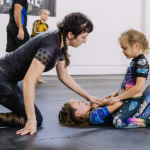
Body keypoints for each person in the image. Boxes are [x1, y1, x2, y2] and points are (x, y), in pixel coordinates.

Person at [0, 12, 102, 136]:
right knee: (34, 120)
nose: (85, 41)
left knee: (34, 118)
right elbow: (29, 81)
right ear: (70, 34)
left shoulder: (60, 42)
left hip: (8, 79)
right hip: (3, 78)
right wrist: (31, 121)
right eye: (83, 37)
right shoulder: (51, 44)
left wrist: (89, 97)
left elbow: (64, 75)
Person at [105, 29, 150, 128]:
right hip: (126, 98)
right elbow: (128, 84)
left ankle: (145, 120)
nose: (122, 51)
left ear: (136, 45)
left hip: (133, 101)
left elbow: (138, 87)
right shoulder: (135, 61)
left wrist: (117, 98)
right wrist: (117, 93)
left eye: (125, 48)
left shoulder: (142, 63)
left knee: (118, 122)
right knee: (110, 115)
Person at [59, 99, 123, 126]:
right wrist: (101, 103)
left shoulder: (92, 114)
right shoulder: (95, 115)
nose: (83, 101)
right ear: (77, 113)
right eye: (79, 103)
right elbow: (119, 103)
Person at [31, 9, 50, 83]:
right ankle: (32, 79)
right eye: (44, 14)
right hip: (34, 43)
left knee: (41, 61)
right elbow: (35, 32)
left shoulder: (46, 25)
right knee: (34, 62)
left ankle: (38, 78)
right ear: (40, 14)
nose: (46, 16)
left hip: (42, 45)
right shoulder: (36, 22)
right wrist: (45, 33)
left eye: (48, 15)